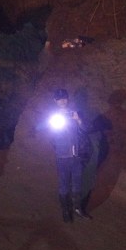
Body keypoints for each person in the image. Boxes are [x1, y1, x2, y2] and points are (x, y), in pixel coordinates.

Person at [46, 88, 92, 222]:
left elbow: (86, 129)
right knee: (64, 184)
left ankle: (78, 209)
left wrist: (78, 120)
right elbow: (51, 135)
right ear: (55, 100)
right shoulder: (52, 116)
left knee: (77, 184)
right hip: (62, 157)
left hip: (76, 156)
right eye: (59, 98)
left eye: (64, 97)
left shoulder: (75, 113)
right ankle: (66, 211)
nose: (62, 100)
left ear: (68, 98)